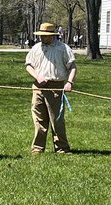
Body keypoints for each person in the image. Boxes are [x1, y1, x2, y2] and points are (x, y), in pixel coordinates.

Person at [25, 21, 76, 155]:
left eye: (44, 35)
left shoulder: (63, 48)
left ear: (52, 35)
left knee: (57, 120)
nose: (42, 37)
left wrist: (69, 82)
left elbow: (73, 67)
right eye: (40, 35)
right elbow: (28, 65)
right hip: (38, 87)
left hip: (56, 87)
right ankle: (37, 148)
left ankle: (62, 148)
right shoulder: (36, 48)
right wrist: (37, 77)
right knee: (39, 119)